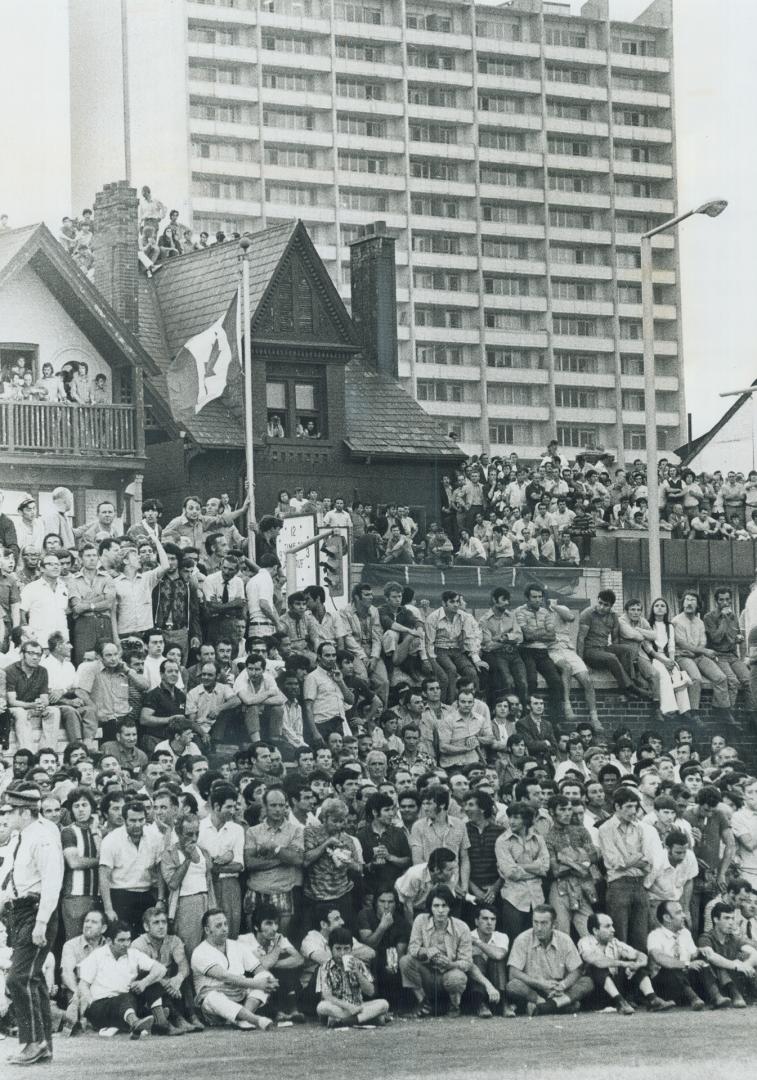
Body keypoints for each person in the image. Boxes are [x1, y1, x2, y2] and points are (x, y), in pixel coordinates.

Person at [1, 783, 64, 1066]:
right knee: (32, 977)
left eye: (11, 811)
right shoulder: (23, 836)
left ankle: (33, 1042)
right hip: (21, 911)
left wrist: (41, 922)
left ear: (24, 812)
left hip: (36, 911)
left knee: (19, 978)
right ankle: (42, 1043)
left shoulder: (42, 837)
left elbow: (52, 882)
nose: (6, 816)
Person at [191, 908, 277, 1030]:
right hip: (216, 1007)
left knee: (267, 977)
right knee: (212, 998)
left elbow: (259, 970)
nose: (224, 928)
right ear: (207, 930)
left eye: (225, 924)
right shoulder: (199, 952)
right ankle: (256, 1020)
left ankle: (243, 1018)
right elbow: (225, 977)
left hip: (242, 997)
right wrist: (257, 984)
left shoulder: (237, 946)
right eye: (218, 926)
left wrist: (266, 981)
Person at [578, 913, 674, 1014]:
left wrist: (637, 965)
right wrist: (624, 964)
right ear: (595, 931)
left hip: (614, 991)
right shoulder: (584, 942)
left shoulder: (614, 942)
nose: (613, 930)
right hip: (595, 994)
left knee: (634, 965)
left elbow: (641, 955)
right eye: (607, 926)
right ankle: (621, 1002)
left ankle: (653, 999)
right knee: (597, 967)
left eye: (612, 925)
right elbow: (597, 961)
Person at [506, 904, 593, 1015]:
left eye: (544, 923)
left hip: (559, 990)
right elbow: (513, 973)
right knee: (513, 986)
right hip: (534, 990)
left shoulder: (564, 939)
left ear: (554, 925)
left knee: (587, 982)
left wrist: (563, 985)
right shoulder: (522, 939)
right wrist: (540, 984)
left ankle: (545, 1007)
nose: (539, 928)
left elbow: (576, 971)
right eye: (535, 922)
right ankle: (557, 1005)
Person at [400, 885, 472, 1018]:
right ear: (430, 907)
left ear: (450, 907)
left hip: (448, 974)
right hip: (426, 973)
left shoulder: (462, 927)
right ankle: (423, 1002)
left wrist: (450, 964)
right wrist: (426, 952)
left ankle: (454, 1005)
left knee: (457, 977)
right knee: (405, 961)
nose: (440, 910)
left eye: (444, 906)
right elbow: (413, 948)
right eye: (436, 906)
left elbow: (467, 962)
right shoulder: (421, 920)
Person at [647, 899, 731, 1009]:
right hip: (665, 985)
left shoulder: (685, 933)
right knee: (671, 967)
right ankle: (694, 999)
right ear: (667, 918)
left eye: (682, 912)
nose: (684, 916)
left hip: (686, 980)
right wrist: (686, 964)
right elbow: (660, 958)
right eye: (678, 913)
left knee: (702, 960)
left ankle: (717, 997)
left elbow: (693, 955)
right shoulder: (655, 935)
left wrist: (701, 951)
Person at [317, 926, 390, 1027]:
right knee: (322, 1007)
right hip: (339, 1007)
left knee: (384, 1004)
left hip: (359, 1006)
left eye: (346, 949)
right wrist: (348, 1006)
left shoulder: (358, 964)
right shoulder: (325, 967)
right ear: (331, 949)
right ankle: (367, 1019)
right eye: (338, 949)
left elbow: (371, 991)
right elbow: (327, 996)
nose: (342, 953)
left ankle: (344, 1021)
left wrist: (357, 972)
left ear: (351, 949)